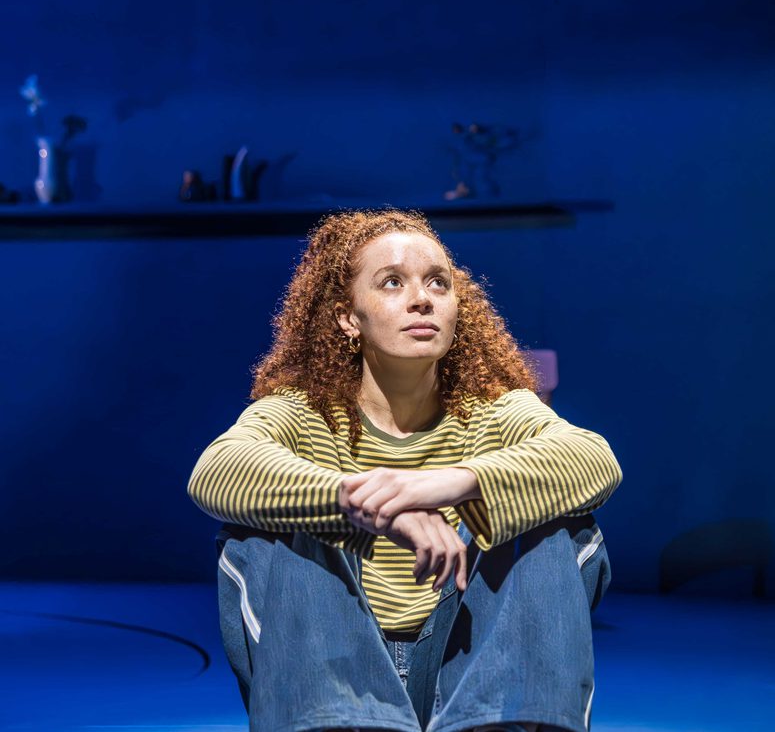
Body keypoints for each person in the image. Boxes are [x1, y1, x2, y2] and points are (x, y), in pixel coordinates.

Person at [187, 208, 622, 732]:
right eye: (392, 282)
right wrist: (366, 504)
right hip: (335, 667)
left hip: (465, 667)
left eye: (438, 283)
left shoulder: (493, 411)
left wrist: (443, 484)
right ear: (348, 317)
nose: (422, 299)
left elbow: (593, 458)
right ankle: (343, 724)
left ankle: (499, 723)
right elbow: (217, 469)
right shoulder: (303, 413)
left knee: (554, 523)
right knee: (262, 535)